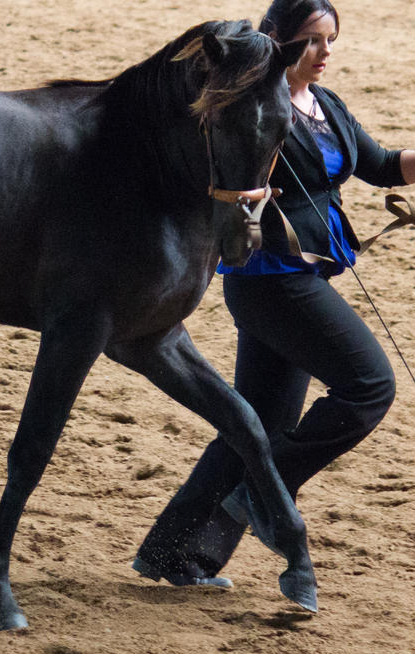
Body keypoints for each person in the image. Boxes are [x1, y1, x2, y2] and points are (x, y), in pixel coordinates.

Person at [132, 0, 415, 587]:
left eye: (331, 40)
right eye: (312, 41)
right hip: (273, 282)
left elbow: (383, 165)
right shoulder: (256, 111)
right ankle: (262, 496)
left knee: (253, 423)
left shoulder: (326, 105)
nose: (326, 53)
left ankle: (171, 553)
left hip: (301, 280)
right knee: (369, 386)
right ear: (277, 42)